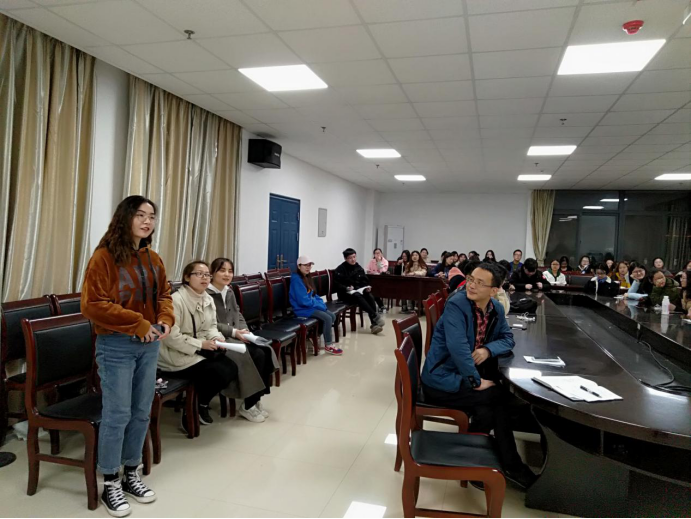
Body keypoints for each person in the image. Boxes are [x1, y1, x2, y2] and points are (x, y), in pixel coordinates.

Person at [81, 195, 175, 516]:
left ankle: (131, 472)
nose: (147, 221)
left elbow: (164, 294)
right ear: (125, 218)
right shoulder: (104, 257)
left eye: (152, 216)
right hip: (116, 346)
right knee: (117, 413)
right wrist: (139, 324)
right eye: (140, 215)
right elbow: (93, 305)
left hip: (150, 345)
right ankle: (110, 480)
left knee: (141, 412)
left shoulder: (153, 258)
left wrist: (165, 319)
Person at [420, 262, 536, 489]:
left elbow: (508, 339)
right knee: (500, 399)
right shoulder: (457, 304)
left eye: (480, 283)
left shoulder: (496, 309)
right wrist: (474, 381)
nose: (471, 285)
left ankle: (476, 460)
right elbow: (459, 349)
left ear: (494, 290)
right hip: (442, 379)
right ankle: (512, 465)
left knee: (489, 409)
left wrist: (487, 350)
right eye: (471, 279)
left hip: (462, 376)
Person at [159, 261, 264, 425]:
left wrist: (217, 338)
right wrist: (201, 345)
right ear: (187, 277)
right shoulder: (175, 301)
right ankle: (194, 408)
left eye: (207, 275)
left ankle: (201, 402)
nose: (204, 278)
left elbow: (211, 327)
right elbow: (171, 337)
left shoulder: (207, 299)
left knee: (230, 366)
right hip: (175, 354)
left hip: (198, 349)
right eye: (199, 274)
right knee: (219, 371)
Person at [208, 258, 278, 420]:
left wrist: (245, 331)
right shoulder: (206, 294)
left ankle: (255, 399)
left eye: (230, 271)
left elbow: (238, 313)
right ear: (212, 273)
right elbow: (210, 323)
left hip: (236, 334)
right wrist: (234, 332)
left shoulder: (229, 291)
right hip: (219, 337)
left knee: (265, 350)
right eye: (222, 270)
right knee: (254, 355)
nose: (227, 274)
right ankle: (248, 405)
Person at [289, 256, 343, 356]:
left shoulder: (306, 277)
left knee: (332, 316)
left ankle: (315, 335)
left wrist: (320, 303)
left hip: (309, 307)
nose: (308, 267)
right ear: (299, 266)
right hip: (302, 309)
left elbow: (313, 294)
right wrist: (318, 305)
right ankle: (329, 345)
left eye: (310, 265)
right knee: (327, 318)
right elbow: (303, 301)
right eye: (305, 265)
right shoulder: (296, 280)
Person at [334, 248, 385, 335]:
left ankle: (374, 324)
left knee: (369, 295)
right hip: (345, 294)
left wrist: (366, 287)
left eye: (354, 257)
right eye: (350, 258)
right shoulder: (340, 269)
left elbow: (364, 280)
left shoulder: (358, 267)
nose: (353, 259)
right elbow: (337, 284)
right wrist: (346, 288)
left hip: (357, 292)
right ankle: (374, 316)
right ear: (345, 259)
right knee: (357, 295)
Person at [366, 248, 389, 312]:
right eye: (376, 253)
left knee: (374, 290)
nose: (377, 254)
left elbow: (383, 271)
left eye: (379, 253)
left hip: (382, 281)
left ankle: (379, 305)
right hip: (372, 279)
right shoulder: (372, 261)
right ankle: (379, 305)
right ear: (374, 254)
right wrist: (370, 271)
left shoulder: (385, 261)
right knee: (370, 289)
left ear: (381, 254)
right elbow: (368, 269)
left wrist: (379, 262)